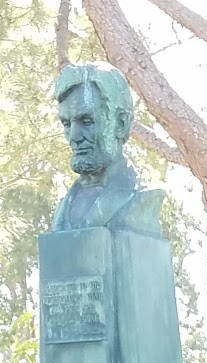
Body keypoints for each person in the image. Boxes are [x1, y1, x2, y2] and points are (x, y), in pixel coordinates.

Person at [50, 64, 166, 236]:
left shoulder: (143, 198)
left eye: (87, 121)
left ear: (121, 124)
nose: (74, 136)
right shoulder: (63, 208)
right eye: (67, 124)